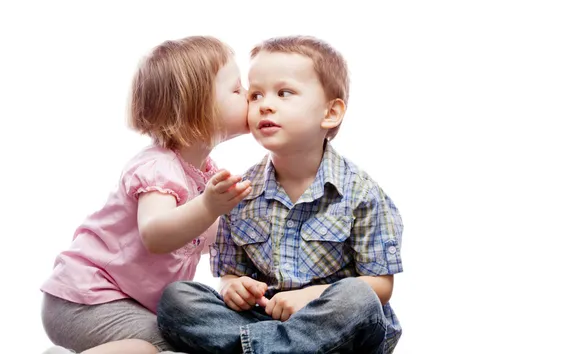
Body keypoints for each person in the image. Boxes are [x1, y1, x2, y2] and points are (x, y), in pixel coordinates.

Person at [157, 36, 404, 354]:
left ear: (330, 112)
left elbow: (380, 287)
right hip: (265, 316)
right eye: (255, 94)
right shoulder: (239, 191)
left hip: (332, 325)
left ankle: (257, 348)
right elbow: (231, 274)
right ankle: (275, 348)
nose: (264, 104)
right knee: (177, 299)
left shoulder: (362, 195)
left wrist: (311, 297)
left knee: (358, 299)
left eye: (284, 92)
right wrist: (235, 288)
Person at [41, 36, 252, 354]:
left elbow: (214, 238)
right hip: (84, 300)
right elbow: (156, 235)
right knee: (163, 345)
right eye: (237, 90)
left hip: (116, 303)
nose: (250, 97)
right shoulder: (159, 167)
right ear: (196, 107)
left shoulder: (205, 173)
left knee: (186, 338)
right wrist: (208, 205)